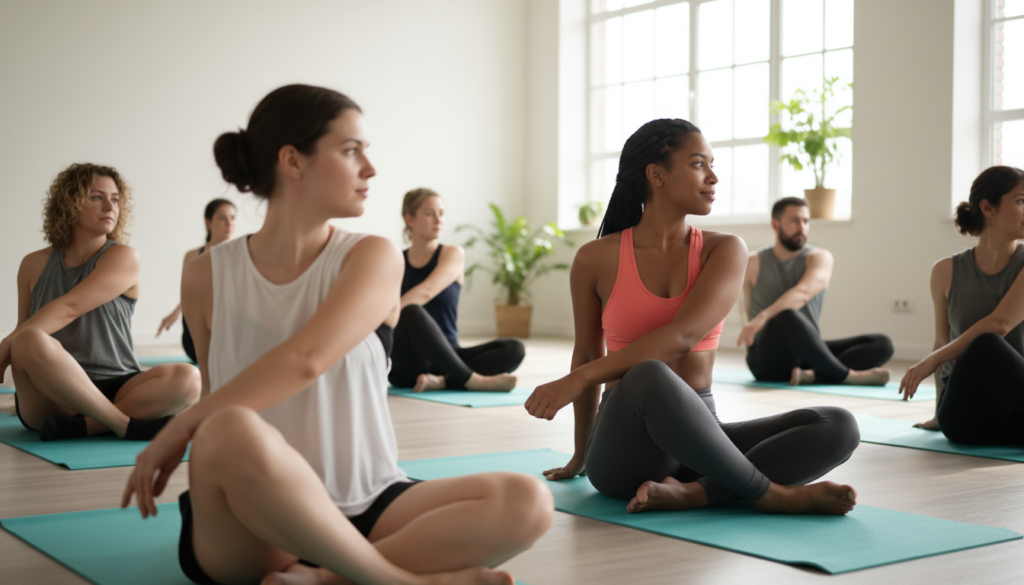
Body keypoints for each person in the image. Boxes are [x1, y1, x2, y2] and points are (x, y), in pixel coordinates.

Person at [122, 85, 552, 585]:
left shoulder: (371, 257)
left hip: (370, 500)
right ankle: (399, 582)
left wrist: (178, 428)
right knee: (227, 425)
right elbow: (217, 393)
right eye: (351, 151)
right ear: (292, 160)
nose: (370, 168)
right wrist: (197, 426)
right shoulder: (206, 274)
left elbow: (306, 357)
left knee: (527, 500)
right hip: (252, 520)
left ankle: (327, 579)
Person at [525, 119, 860, 516]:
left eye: (712, 165)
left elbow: (683, 336)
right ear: (656, 175)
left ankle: (698, 493)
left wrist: (578, 378)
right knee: (649, 374)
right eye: (699, 164)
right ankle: (771, 494)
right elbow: (585, 352)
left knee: (837, 425)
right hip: (627, 448)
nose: (713, 177)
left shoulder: (724, 250)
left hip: (701, 436)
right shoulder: (595, 258)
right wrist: (581, 453)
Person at [0, 163, 200, 441]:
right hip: (53, 394)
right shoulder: (32, 264)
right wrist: (11, 346)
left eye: (115, 199)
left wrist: (3, 346)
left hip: (119, 386)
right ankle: (122, 424)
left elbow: (70, 308)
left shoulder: (123, 257)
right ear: (69, 203)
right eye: (97, 197)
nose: (110, 206)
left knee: (190, 378)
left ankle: (90, 426)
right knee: (27, 338)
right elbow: (24, 329)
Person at [900, 165, 1024, 444]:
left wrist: (930, 360)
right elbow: (942, 341)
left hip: (1017, 408)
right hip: (967, 414)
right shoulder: (945, 271)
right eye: (1021, 200)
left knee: (988, 340)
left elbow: (1000, 323)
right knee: (985, 344)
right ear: (987, 208)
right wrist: (937, 414)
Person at [737, 197, 894, 386]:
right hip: (768, 361)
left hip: (808, 355)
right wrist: (758, 323)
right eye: (794, 220)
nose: (802, 227)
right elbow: (746, 309)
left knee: (882, 344)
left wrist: (763, 317)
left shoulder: (820, 258)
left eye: (805, 221)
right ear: (775, 225)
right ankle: (847, 376)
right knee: (787, 316)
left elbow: (803, 293)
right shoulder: (753, 262)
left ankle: (813, 376)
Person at [391, 188, 523, 393]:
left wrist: (388, 313)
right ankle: (472, 380)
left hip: (448, 356)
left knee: (514, 348)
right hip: (409, 364)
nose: (438, 220)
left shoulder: (452, 254)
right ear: (410, 219)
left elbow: (427, 291)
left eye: (441, 213)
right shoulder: (395, 260)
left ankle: (443, 381)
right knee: (411, 312)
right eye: (429, 214)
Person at [157, 199, 238, 363]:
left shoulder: (241, 254)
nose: (229, 223)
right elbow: (188, 294)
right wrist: (175, 313)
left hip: (229, 325)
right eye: (222, 218)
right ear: (208, 222)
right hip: (198, 333)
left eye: (233, 217)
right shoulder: (192, 256)